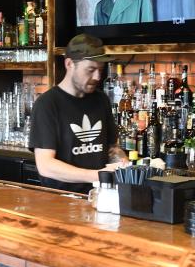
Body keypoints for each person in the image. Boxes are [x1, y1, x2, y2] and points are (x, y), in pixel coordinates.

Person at [29, 33, 127, 192]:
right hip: (60, 200)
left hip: (99, 195)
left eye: (100, 70)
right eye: (91, 69)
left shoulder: (101, 100)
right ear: (69, 64)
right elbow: (46, 166)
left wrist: (122, 163)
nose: (97, 76)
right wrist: (97, 175)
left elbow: (111, 148)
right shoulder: (47, 104)